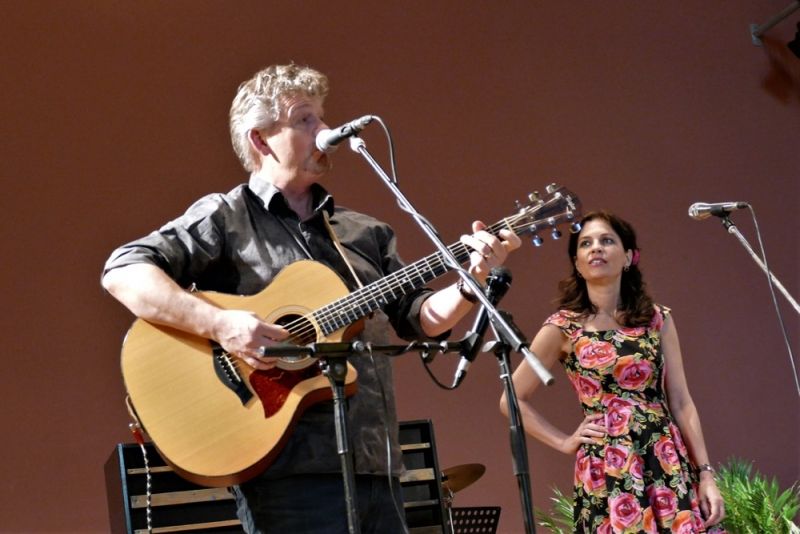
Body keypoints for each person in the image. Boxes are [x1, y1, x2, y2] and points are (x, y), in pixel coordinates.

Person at [102, 63, 521, 534]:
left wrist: (470, 281)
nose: (326, 130)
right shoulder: (226, 218)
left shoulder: (365, 232)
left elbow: (419, 319)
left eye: (322, 116)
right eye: (305, 120)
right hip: (286, 475)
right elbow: (124, 271)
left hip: (377, 465)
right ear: (260, 140)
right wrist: (221, 325)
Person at [500, 210, 726, 533]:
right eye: (586, 243)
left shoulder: (657, 319)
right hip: (606, 465)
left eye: (607, 240)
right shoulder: (563, 327)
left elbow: (681, 401)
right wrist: (564, 442)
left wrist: (705, 474)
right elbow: (511, 399)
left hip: (664, 459)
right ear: (577, 263)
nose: (596, 248)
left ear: (629, 257)